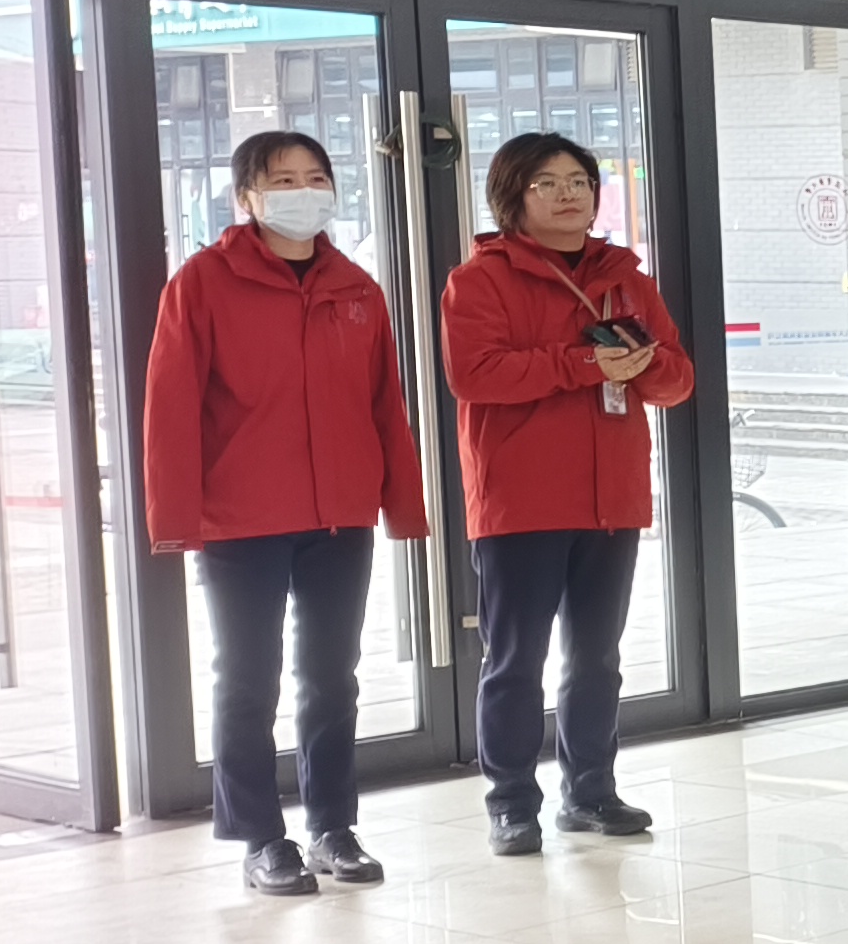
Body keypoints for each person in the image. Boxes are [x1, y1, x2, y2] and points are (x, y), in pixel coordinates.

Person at [143, 131, 425, 893]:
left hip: (340, 515)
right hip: (242, 518)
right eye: (284, 180)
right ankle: (261, 837)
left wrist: (402, 505)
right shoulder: (202, 284)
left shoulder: (357, 288)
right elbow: (170, 407)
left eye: (316, 177)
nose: (305, 192)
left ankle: (333, 826)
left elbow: (385, 406)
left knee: (332, 676)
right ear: (247, 197)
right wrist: (176, 517)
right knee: (247, 678)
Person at [443, 131, 690, 857]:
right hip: (520, 502)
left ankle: (591, 792)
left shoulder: (627, 279)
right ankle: (512, 803)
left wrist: (644, 367)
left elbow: (678, 380)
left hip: (612, 498)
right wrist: (587, 364)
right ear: (512, 197)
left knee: (597, 658)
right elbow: (476, 374)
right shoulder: (480, 280)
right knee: (514, 661)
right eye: (546, 184)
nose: (568, 195)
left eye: (579, 181)